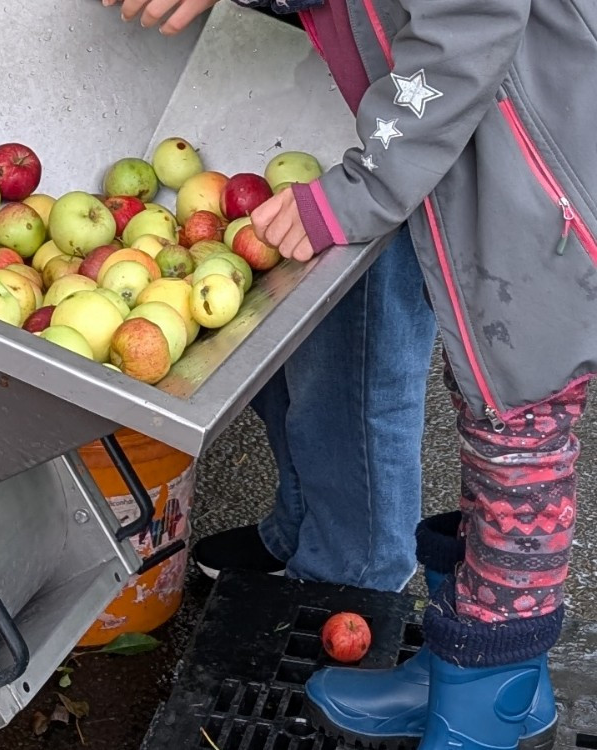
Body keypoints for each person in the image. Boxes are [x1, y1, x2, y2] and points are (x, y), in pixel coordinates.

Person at [111, 1, 595, 749]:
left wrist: (362, 187)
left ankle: (485, 718)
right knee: (488, 419)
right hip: (490, 170)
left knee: (520, 444)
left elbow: (470, 20)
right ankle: (471, 674)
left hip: (547, 190)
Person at [107, 0, 441, 598]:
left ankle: (352, 578)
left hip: (400, 101)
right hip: (305, 63)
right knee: (280, 351)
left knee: (355, 366)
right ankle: (304, 522)